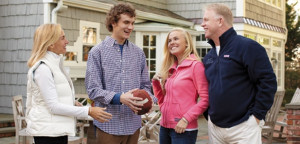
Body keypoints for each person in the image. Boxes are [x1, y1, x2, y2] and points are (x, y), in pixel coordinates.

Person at [201, 3, 277, 144]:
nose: (202, 24)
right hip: (215, 127)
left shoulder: (248, 47)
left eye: (206, 20)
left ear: (220, 21)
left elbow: (268, 82)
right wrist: (209, 115)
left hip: (244, 127)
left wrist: (256, 116)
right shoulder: (209, 57)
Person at [26, 23, 112, 144]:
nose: (67, 41)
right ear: (50, 43)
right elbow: (53, 106)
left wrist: (72, 103)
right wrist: (89, 111)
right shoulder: (43, 68)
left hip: (56, 131)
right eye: (62, 38)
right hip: (48, 134)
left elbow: (55, 98)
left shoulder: (55, 65)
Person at [85, 3, 154, 144]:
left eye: (133, 23)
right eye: (126, 22)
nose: (130, 27)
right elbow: (92, 90)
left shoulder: (138, 53)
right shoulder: (97, 52)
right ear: (113, 22)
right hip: (108, 124)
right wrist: (120, 98)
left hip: (133, 125)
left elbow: (145, 86)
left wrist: (148, 99)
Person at [152, 28, 209, 144]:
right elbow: (163, 99)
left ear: (187, 43)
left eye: (176, 39)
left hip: (183, 128)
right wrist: (156, 84)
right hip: (165, 126)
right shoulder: (171, 68)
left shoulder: (196, 66)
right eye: (169, 40)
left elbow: (205, 99)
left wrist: (186, 119)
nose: (171, 42)